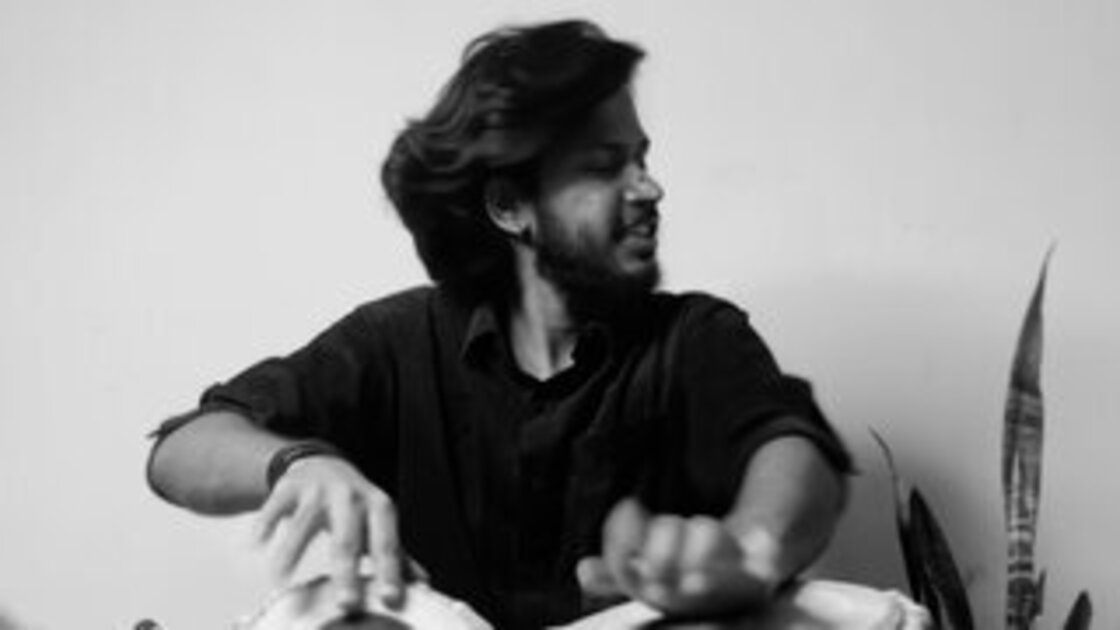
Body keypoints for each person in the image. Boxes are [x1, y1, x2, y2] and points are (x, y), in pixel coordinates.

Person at [146, 19, 852, 630]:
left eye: (641, 158)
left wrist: (749, 552)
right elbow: (181, 450)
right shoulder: (397, 341)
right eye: (605, 166)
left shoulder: (697, 337)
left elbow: (792, 449)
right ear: (510, 207)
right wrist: (297, 462)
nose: (648, 187)